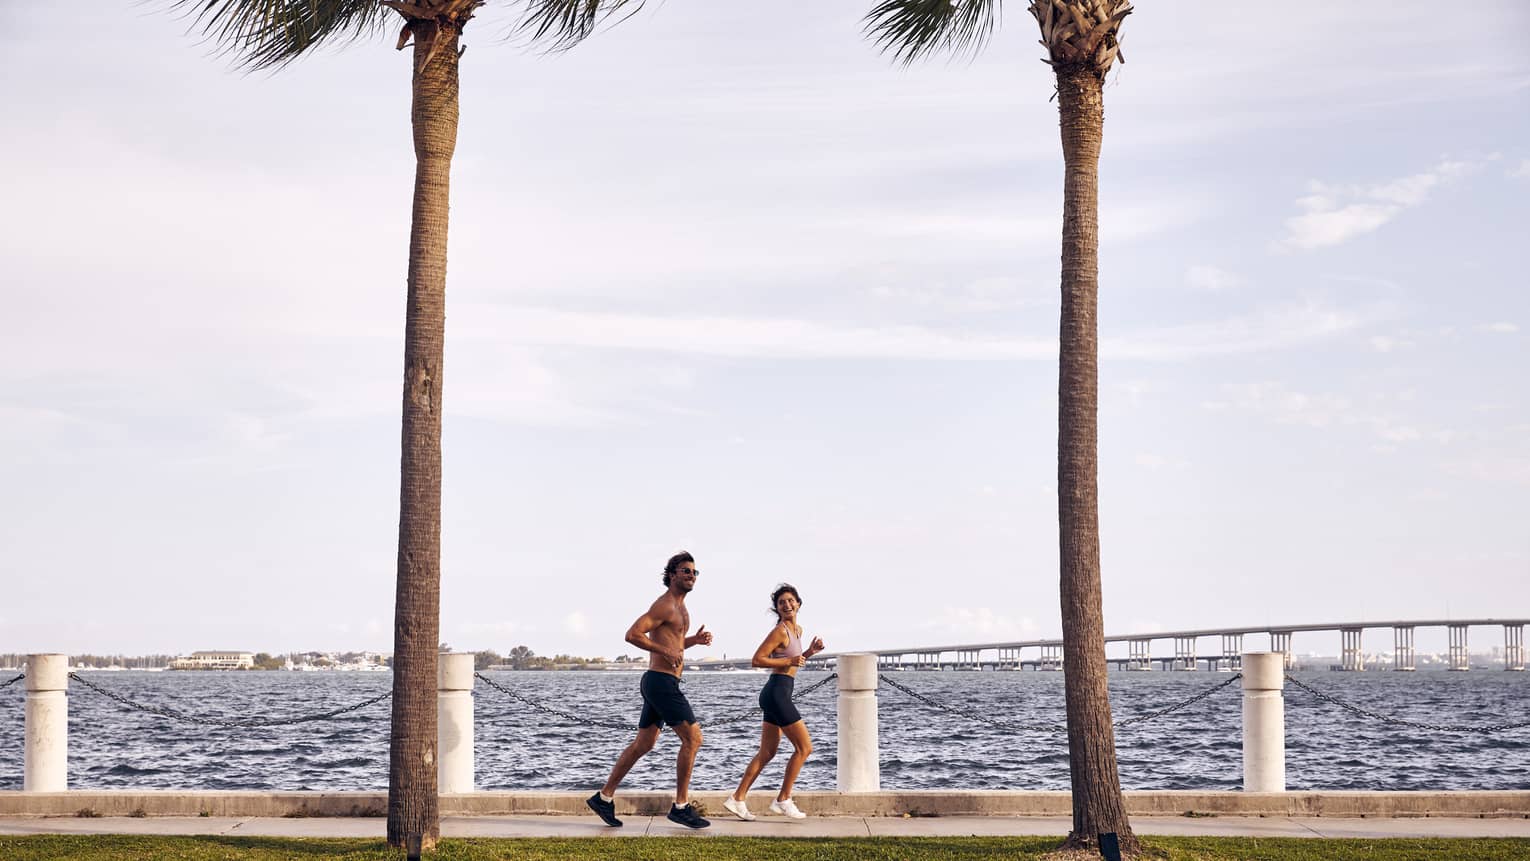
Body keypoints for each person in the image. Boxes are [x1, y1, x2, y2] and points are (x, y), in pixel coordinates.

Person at [586, 551, 714, 829]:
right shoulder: (665, 605)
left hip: (662, 682)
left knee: (644, 743)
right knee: (693, 739)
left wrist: (693, 641)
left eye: (694, 572)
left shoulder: (681, 608)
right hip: (661, 683)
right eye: (685, 571)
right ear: (672, 574)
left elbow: (673, 644)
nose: (691, 576)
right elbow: (632, 634)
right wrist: (665, 650)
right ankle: (681, 807)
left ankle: (603, 798)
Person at [722, 583, 825, 821]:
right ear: (777, 608)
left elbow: (793, 661)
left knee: (767, 752)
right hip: (777, 693)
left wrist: (809, 653)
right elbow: (757, 660)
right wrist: (792, 660)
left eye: (790, 601)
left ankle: (737, 798)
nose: (787, 605)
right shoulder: (780, 631)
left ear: (798, 603)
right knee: (804, 748)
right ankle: (783, 799)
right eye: (781, 603)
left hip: (778, 692)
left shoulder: (797, 631)